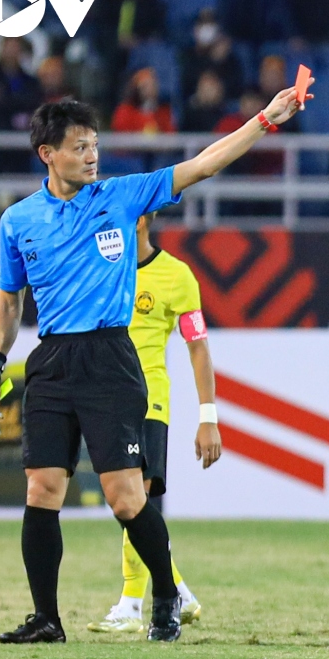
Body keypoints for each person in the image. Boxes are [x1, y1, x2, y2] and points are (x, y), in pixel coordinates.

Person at [0, 84, 308, 644]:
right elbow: (10, 303)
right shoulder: (18, 221)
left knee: (126, 498)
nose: (92, 155)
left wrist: (266, 121)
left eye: (95, 145)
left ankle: (165, 596)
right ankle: (47, 620)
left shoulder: (123, 196)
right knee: (42, 489)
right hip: (52, 360)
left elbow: (203, 165)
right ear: (47, 154)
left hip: (110, 357)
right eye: (80, 147)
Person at [86, 210, 221, 633]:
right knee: (129, 505)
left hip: (148, 400)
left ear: (143, 218)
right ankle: (178, 590)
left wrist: (208, 417)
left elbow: (197, 347)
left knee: (136, 497)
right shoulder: (100, 269)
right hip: (108, 398)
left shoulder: (177, 276)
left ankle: (131, 603)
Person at [0, 37, 43, 174]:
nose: (11, 52)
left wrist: (10, 100)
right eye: (8, 48)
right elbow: (0, 103)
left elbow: (33, 102)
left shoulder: (30, 81)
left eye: (15, 48)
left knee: (21, 186)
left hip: (21, 143)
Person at [112, 68, 176, 134]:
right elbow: (121, 135)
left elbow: (170, 135)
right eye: (145, 86)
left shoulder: (164, 113)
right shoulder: (125, 112)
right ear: (137, 89)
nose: (149, 89)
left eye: (152, 85)